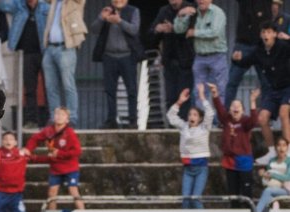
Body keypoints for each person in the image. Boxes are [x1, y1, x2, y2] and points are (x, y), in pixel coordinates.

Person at [233, 22, 290, 163]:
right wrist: (236, 60)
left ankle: (288, 152)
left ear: (275, 34)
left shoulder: (283, 47)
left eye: (269, 32)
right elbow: (245, 62)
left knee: (284, 113)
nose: (266, 35)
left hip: (287, 87)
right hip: (272, 89)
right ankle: (271, 152)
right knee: (262, 118)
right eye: (264, 32)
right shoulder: (258, 51)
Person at [91, 0, 142, 129]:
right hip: (109, 56)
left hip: (127, 56)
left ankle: (132, 120)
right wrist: (101, 18)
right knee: (109, 90)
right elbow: (94, 29)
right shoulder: (107, 10)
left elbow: (134, 30)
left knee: (131, 90)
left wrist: (119, 21)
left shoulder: (133, 11)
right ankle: (111, 120)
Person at [0, 0, 49, 128]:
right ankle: (31, 121)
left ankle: (51, 120)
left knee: (49, 88)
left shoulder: (45, 7)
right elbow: (1, 4)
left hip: (45, 51)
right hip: (26, 53)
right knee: (29, 89)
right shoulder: (18, 5)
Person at [21, 107, 83, 210]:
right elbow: (35, 139)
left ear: (67, 120)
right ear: (53, 117)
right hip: (56, 167)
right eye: (57, 114)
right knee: (52, 193)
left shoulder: (70, 133)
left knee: (73, 190)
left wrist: (60, 153)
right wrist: (28, 149)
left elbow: (77, 151)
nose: (59, 117)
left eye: (62, 115)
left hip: (70, 167)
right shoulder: (48, 131)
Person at [210, 83, 259, 208]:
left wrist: (252, 102)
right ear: (230, 109)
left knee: (246, 191)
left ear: (242, 110)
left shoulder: (245, 121)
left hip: (243, 159)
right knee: (233, 192)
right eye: (233, 106)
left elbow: (254, 121)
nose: (235, 108)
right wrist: (215, 94)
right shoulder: (226, 120)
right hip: (230, 160)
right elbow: (220, 109)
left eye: (238, 106)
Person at [167, 84, 213, 209]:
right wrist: (180, 102)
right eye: (190, 114)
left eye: (195, 115)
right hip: (188, 168)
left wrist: (202, 97)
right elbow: (171, 117)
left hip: (201, 167)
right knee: (186, 200)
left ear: (200, 118)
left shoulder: (204, 128)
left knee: (195, 199)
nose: (191, 117)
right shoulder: (184, 127)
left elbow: (210, 113)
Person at [173, 0, 227, 107]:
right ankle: (201, 120)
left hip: (217, 56)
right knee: (199, 91)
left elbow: (215, 32)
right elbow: (178, 29)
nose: (201, 0)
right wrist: (180, 14)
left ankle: (218, 121)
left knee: (219, 91)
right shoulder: (193, 13)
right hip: (200, 57)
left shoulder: (218, 12)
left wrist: (195, 32)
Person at [149, 0, 195, 121]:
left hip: (186, 60)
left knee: (185, 96)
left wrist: (173, 29)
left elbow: (191, 32)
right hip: (169, 60)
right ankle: (172, 124)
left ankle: (185, 123)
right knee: (170, 96)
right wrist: (157, 29)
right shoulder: (164, 11)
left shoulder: (191, 8)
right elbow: (151, 32)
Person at [42, 0, 86, 122]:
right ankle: (54, 118)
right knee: (51, 87)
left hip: (66, 48)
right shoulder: (54, 2)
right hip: (50, 48)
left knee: (68, 85)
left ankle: (71, 118)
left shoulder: (74, 2)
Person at [225, 0, 271, 108]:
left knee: (266, 83)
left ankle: (266, 116)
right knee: (232, 81)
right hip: (243, 44)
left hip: (261, 46)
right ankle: (226, 115)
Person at [255, 136, 290, 212]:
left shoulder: (289, 161)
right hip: (273, 189)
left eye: (284, 145)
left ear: (287, 148)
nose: (281, 148)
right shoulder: (271, 161)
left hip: (287, 190)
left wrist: (272, 175)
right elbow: (267, 176)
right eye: (279, 145)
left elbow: (287, 177)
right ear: (275, 148)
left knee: (268, 191)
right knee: (268, 195)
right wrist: (263, 174)